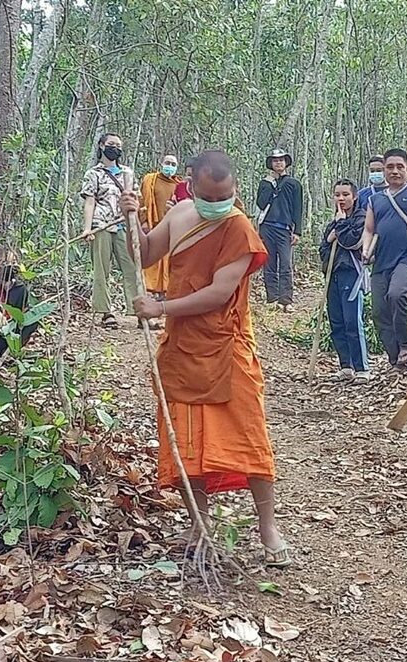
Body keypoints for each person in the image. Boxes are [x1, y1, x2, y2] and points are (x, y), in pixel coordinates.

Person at [124, 150, 290, 564]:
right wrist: (133, 218)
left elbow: (220, 293)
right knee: (187, 438)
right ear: (192, 187)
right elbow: (144, 255)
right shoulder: (180, 213)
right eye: (212, 195)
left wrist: (160, 308)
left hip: (227, 346)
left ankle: (268, 528)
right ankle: (200, 523)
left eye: (228, 194)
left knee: (248, 433)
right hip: (181, 346)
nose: (221, 202)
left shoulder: (238, 225)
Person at [361, 147, 407, 372]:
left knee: (397, 294)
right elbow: (369, 229)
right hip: (381, 261)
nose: (395, 171)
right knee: (379, 311)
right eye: (390, 167)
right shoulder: (375, 199)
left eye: (400, 167)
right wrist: (366, 250)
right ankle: (395, 358)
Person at [80, 132, 137, 328]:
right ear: (102, 146)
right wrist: (87, 229)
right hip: (101, 224)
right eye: (111, 144)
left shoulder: (127, 174)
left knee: (131, 267)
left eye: (118, 145)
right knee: (101, 269)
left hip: (123, 224)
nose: (115, 148)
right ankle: (106, 312)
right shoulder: (93, 174)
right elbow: (89, 201)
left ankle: (138, 310)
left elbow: (134, 199)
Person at [319, 180, 370, 381]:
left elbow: (352, 242)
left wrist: (340, 226)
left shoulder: (362, 218)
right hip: (333, 274)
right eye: (337, 194)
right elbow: (323, 248)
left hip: (351, 272)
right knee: (337, 320)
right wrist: (331, 236)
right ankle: (346, 365)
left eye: (345, 195)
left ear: (354, 196)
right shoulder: (333, 220)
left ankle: (361, 368)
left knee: (352, 320)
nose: (341, 199)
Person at [255, 148, 303, 311]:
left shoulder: (294, 184)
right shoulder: (265, 183)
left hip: (284, 229)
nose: (278, 163)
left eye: (281, 160)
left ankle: (286, 300)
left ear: (286, 163)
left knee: (285, 264)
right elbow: (261, 204)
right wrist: (270, 183)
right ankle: (272, 299)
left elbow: (298, 208)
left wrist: (297, 231)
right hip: (267, 227)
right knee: (268, 263)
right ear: (271, 164)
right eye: (275, 160)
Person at [140, 153, 183, 300]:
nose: (169, 166)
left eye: (173, 164)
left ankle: (165, 291)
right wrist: (144, 221)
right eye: (167, 163)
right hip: (153, 226)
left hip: (172, 229)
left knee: (169, 261)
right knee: (153, 260)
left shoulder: (179, 185)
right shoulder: (150, 180)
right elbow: (142, 201)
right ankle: (150, 291)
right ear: (161, 163)